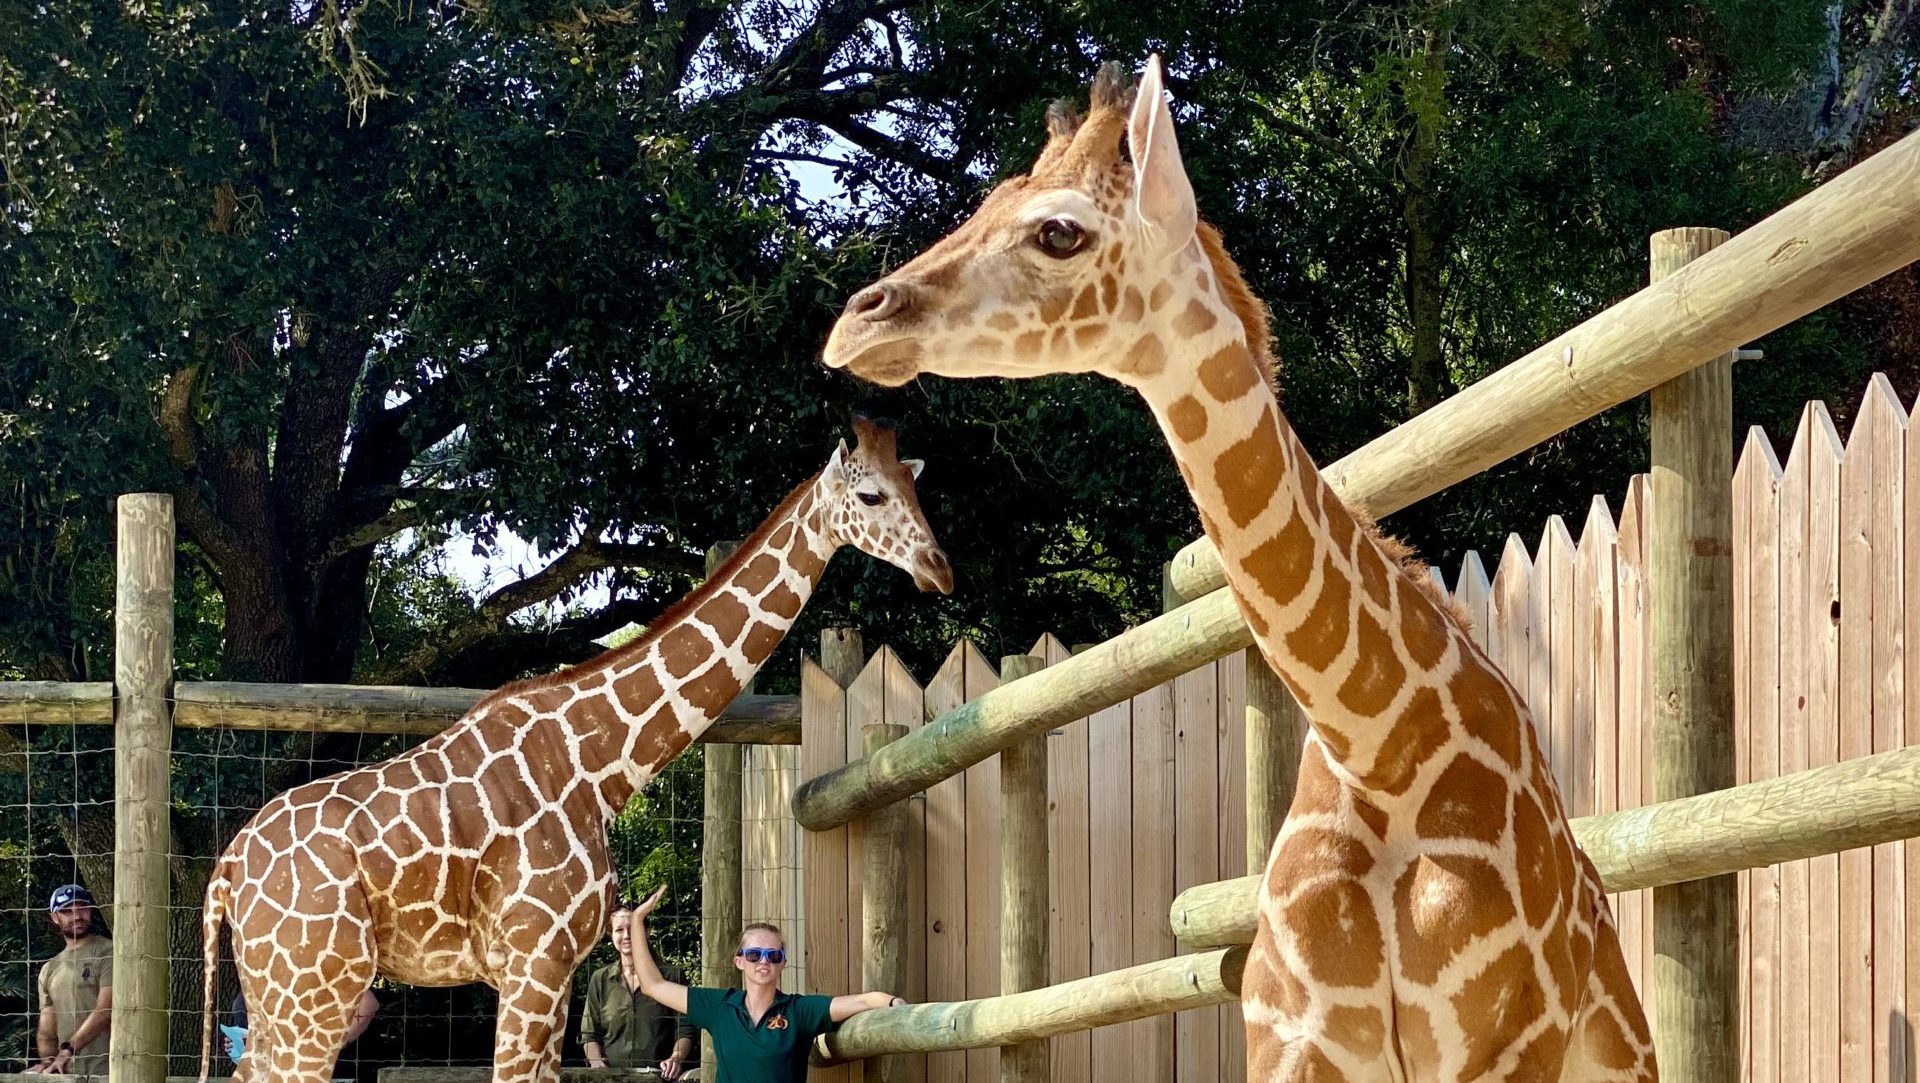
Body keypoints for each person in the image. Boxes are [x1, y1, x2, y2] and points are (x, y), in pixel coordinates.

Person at [626, 885, 904, 1083]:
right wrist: (637, 922)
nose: (764, 961)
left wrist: (895, 1004)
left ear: (783, 962)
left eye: (773, 956)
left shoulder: (798, 1010)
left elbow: (863, 1001)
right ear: (739, 961)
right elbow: (653, 985)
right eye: (754, 954)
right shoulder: (719, 1006)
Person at [580, 904, 699, 1077]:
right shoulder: (600, 979)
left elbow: (686, 1028)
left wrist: (676, 1058)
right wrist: (597, 1064)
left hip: (659, 1078)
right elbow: (589, 1034)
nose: (627, 935)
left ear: (647, 932)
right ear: (611, 935)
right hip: (611, 1079)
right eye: (619, 930)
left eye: (633, 928)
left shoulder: (671, 976)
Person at [24, 885, 111, 1076]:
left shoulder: (108, 952)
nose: (76, 915)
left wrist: (67, 1050)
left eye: (82, 907)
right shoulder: (49, 968)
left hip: (108, 1071)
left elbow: (105, 1010)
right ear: (55, 917)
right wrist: (48, 1063)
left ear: (90, 911)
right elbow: (47, 1029)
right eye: (66, 911)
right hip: (67, 1074)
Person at [225, 988, 379, 1068]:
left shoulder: (311, 967)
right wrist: (237, 1047)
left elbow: (368, 1003)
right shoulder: (254, 985)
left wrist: (327, 1047)